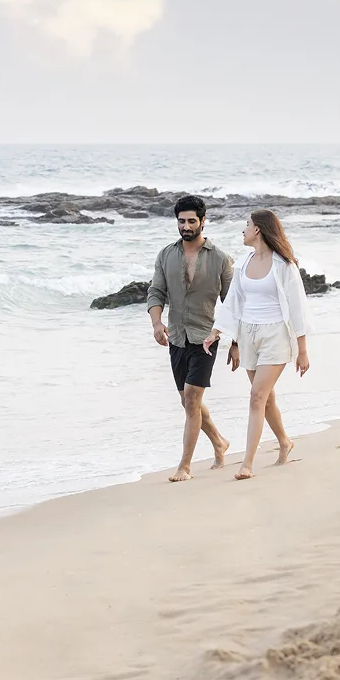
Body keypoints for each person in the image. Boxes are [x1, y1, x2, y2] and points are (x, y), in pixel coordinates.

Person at [202, 209, 312, 481]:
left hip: (276, 334)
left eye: (247, 224)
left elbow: (298, 307)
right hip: (248, 334)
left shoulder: (284, 265)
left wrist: (302, 350)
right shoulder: (242, 263)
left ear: (258, 230)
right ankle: (285, 442)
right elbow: (233, 304)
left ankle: (247, 463)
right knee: (266, 397)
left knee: (256, 397)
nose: (244, 229)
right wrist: (216, 332)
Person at [147, 195, 237, 483]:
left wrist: (234, 341)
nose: (186, 226)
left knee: (193, 398)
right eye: (181, 221)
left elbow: (233, 304)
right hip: (176, 338)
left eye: (191, 221)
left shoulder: (220, 259)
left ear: (202, 221)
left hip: (206, 339)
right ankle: (220, 442)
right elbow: (156, 292)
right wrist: (157, 322)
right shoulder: (165, 255)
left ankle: (185, 466)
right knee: (188, 402)